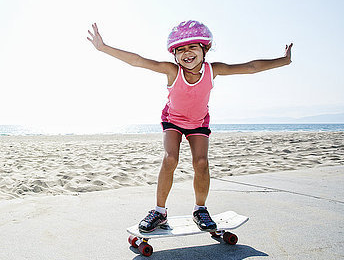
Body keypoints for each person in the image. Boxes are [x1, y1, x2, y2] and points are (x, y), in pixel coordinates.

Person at [86, 20, 292, 233]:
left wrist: (283, 61)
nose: (187, 53)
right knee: (170, 159)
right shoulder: (172, 71)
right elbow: (138, 61)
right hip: (173, 120)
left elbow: (251, 67)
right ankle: (159, 211)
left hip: (198, 122)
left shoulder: (213, 70)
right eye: (181, 49)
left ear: (205, 48)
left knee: (201, 162)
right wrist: (103, 48)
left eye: (192, 47)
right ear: (174, 54)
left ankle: (200, 210)